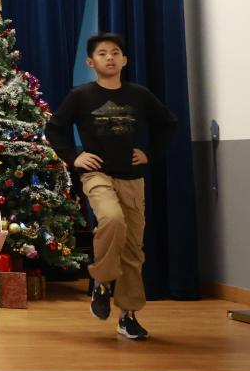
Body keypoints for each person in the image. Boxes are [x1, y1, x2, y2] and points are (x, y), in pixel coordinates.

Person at [47, 33, 177, 340]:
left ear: (124, 60)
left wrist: (150, 153)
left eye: (115, 52)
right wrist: (75, 157)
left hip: (132, 178)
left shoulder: (139, 95)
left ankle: (127, 316)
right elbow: (54, 129)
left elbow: (168, 124)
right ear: (91, 62)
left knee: (132, 249)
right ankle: (102, 282)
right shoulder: (80, 96)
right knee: (112, 219)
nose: (110, 57)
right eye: (102, 53)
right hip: (97, 175)